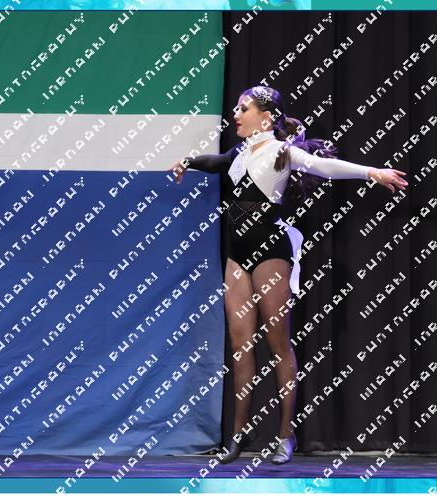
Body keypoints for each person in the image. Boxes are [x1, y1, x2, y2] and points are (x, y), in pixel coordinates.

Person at [167, 85, 407, 465]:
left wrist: (371, 173)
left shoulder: (282, 152)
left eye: (243, 108)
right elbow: (215, 162)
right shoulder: (238, 153)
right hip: (236, 256)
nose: (235, 114)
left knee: (278, 343)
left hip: (270, 253)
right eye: (236, 108)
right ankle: (238, 435)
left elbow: (324, 167)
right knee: (240, 346)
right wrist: (188, 161)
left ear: (266, 118)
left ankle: (284, 434)